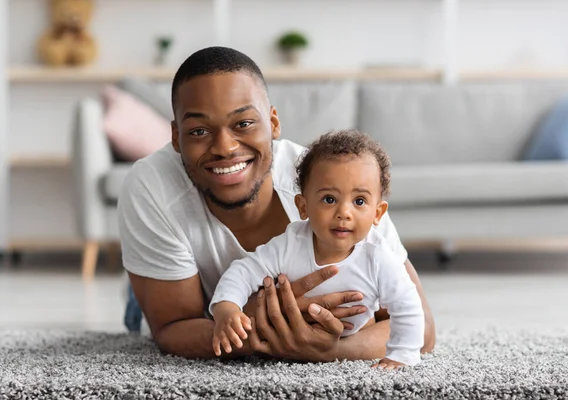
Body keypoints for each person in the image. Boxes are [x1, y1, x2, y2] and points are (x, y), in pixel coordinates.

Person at [117, 46, 435, 362]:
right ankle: (139, 284)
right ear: (176, 137)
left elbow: (422, 330)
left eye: (243, 124)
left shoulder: (336, 187)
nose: (225, 148)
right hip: (186, 284)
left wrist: (325, 350)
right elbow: (172, 328)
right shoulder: (152, 187)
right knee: (152, 302)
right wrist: (261, 327)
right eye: (199, 131)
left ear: (273, 123)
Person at [210, 130, 424, 368]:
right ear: (303, 206)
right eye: (329, 199)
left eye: (359, 201)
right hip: (289, 338)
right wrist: (227, 308)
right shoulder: (291, 243)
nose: (344, 212)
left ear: (377, 214)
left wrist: (402, 355)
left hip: (352, 334)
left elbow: (407, 305)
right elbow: (244, 270)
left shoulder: (378, 256)